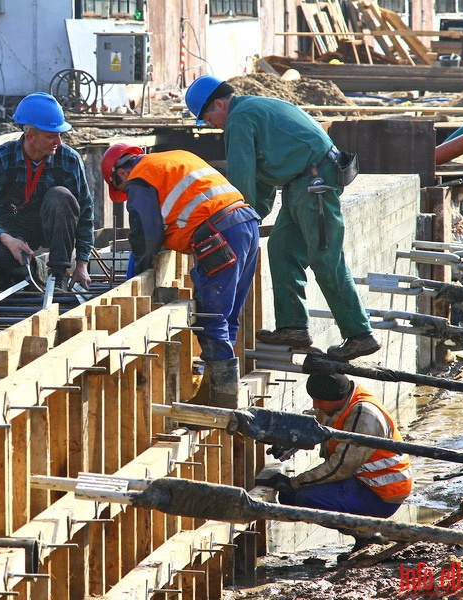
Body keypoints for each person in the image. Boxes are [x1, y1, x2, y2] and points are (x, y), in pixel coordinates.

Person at [184, 75, 380, 362]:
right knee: (282, 249)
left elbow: (241, 174)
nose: (211, 124)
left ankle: (360, 334)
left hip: (315, 182)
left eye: (208, 117)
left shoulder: (239, 119)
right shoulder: (253, 110)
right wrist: (251, 216)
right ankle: (293, 327)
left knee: (325, 256)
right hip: (301, 182)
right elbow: (259, 178)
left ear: (219, 103)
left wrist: (235, 220)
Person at [101, 143, 260, 408]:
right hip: (246, 223)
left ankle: (221, 395)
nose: (126, 194)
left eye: (120, 188)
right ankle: (216, 386)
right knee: (227, 315)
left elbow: (147, 235)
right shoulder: (177, 157)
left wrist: (139, 275)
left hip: (218, 234)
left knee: (211, 315)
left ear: (119, 172)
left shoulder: (140, 177)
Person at [267, 372, 413, 553]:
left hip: (382, 493)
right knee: (289, 497)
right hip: (362, 482)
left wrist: (294, 482)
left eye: (319, 401)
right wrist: (290, 438)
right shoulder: (342, 404)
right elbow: (317, 422)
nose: (315, 405)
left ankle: (366, 534)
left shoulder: (364, 416)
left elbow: (340, 468)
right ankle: (365, 532)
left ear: (336, 398)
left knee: (304, 498)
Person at [0, 92, 93, 291]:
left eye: (60, 135)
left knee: (61, 196)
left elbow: (85, 212)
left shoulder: (69, 159)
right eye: (51, 136)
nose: (58, 142)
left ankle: (58, 275)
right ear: (31, 137)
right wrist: (7, 240)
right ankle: (35, 271)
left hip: (54, 225)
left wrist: (82, 264)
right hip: (16, 225)